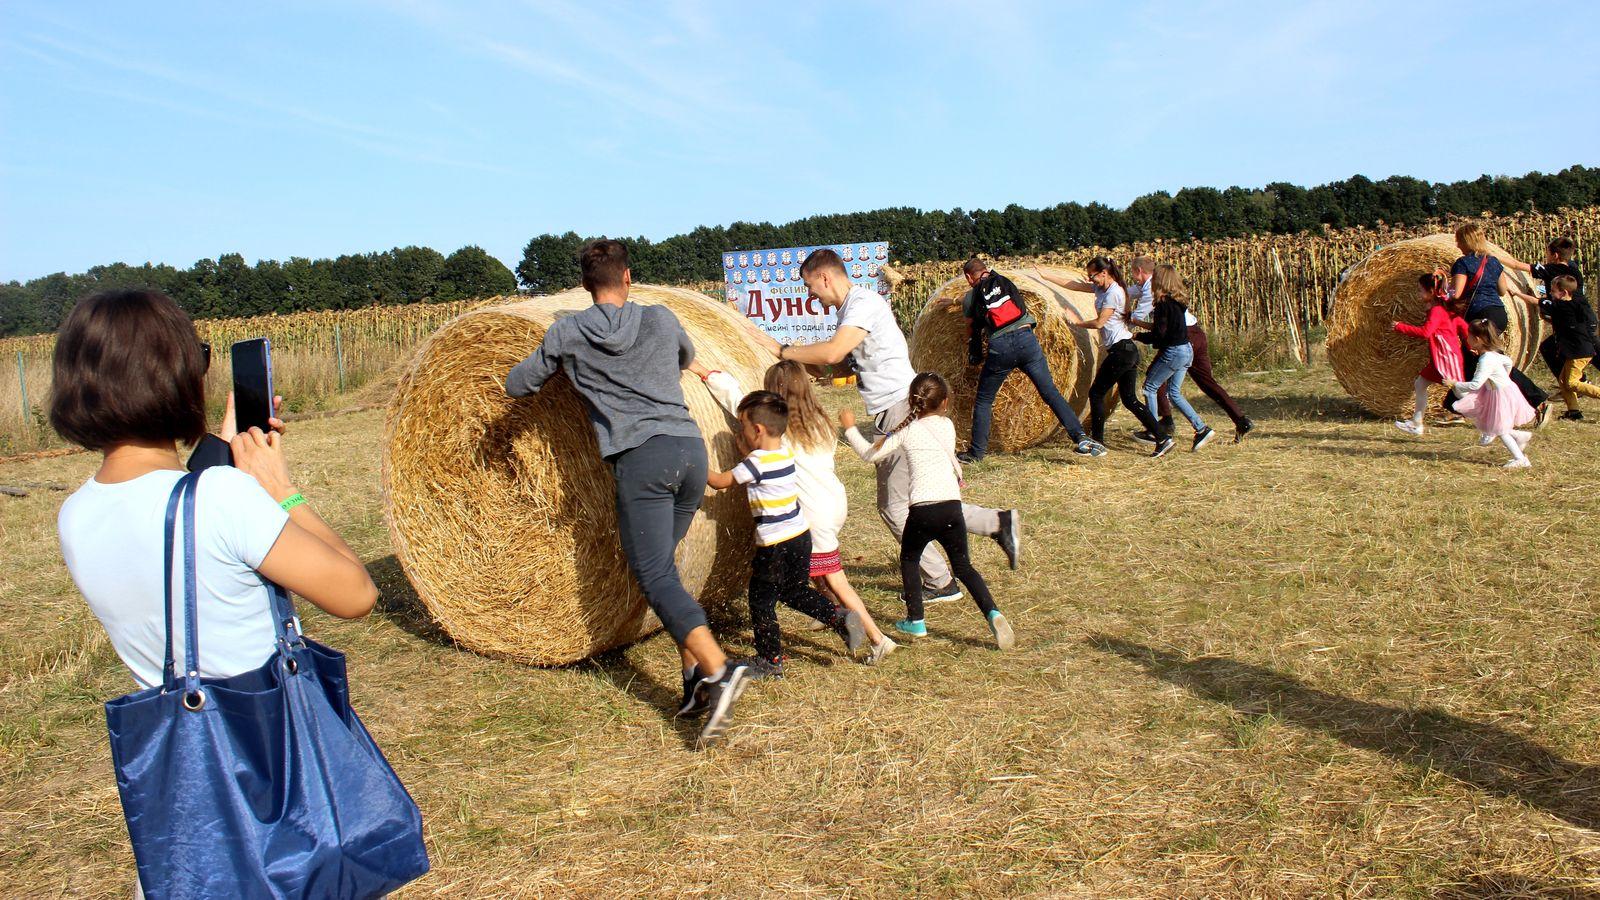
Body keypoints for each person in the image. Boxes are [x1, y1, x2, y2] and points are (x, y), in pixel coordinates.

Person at [49, 290, 379, 896]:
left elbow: (175, 527)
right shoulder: (226, 499)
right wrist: (278, 488)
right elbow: (355, 593)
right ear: (175, 377)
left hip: (190, 788)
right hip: (273, 775)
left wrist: (220, 451)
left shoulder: (75, 514)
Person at [505, 239, 747, 745]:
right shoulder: (659, 317)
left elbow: (519, 384)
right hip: (689, 451)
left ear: (584, 285)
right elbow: (685, 356)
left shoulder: (568, 332)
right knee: (665, 569)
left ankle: (719, 669)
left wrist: (557, 361)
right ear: (628, 277)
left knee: (653, 573)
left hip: (643, 462)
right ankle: (694, 681)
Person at [753, 248, 1022, 606]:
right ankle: (997, 523)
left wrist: (783, 349)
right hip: (898, 407)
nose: (809, 294)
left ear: (825, 277)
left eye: (808, 285)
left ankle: (941, 580)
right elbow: (839, 366)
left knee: (894, 508)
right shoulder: (850, 311)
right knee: (923, 500)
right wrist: (803, 365)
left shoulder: (862, 303)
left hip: (897, 409)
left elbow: (833, 353)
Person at [689, 358, 897, 664]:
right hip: (833, 501)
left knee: (832, 579)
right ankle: (833, 616)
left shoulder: (783, 437)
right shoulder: (819, 422)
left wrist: (706, 373)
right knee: (806, 577)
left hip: (810, 511)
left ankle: (876, 637)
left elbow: (736, 399)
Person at [840, 373, 1015, 650]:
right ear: (944, 402)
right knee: (964, 568)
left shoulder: (906, 431)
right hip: (952, 508)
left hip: (922, 511)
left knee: (910, 559)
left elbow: (869, 454)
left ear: (911, 403)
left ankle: (916, 620)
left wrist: (850, 428)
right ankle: (993, 612)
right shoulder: (947, 426)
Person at [704, 391, 869, 678]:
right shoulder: (784, 454)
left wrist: (693, 463)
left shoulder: (754, 463)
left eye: (742, 426)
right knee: (794, 591)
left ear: (757, 430)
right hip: (800, 536)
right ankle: (837, 616)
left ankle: (770, 660)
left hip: (775, 544)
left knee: (761, 600)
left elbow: (719, 482)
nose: (740, 432)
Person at [958, 257, 1106, 462]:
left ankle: (976, 453)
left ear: (968, 277)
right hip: (1027, 341)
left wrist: (970, 346)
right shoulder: (1004, 281)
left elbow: (970, 326)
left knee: (984, 400)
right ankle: (1080, 437)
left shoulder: (972, 296)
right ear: (985, 269)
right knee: (1050, 392)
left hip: (1000, 348)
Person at [1038, 257, 1170, 457]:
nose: (1090, 280)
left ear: (1104, 273)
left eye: (1092, 276)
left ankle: (1097, 442)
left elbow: (1100, 323)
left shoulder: (1114, 292)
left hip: (1122, 351)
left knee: (1096, 393)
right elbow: (1074, 285)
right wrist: (1044, 276)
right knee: (1129, 399)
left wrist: (1076, 322)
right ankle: (1162, 438)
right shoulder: (1101, 288)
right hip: (1126, 350)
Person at [1442, 223, 1551, 425]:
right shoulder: (1492, 261)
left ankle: (1538, 400)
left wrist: (1442, 288)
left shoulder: (1462, 263)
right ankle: (1455, 408)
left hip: (1480, 315)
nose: (1457, 244)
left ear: (1466, 241)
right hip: (1498, 313)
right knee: (1471, 358)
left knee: (1492, 361)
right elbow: (1502, 290)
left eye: (1459, 240)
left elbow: (1456, 294)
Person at [1134, 265, 1217, 451]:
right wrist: (1138, 323)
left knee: (1149, 388)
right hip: (1186, 350)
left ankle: (1155, 433)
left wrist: (1136, 336)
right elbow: (1163, 328)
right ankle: (1201, 429)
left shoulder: (1162, 304)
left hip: (1174, 352)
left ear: (1160, 280)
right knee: (1174, 393)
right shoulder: (1177, 302)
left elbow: (1159, 335)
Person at [1444, 319, 1537, 469]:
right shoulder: (1492, 354)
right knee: (1496, 423)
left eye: (1468, 336)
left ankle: (1520, 459)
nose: (1466, 339)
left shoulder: (1485, 360)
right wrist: (1503, 378)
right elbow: (1508, 362)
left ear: (1477, 340)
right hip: (1501, 391)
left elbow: (1475, 384)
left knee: (1500, 429)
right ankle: (1520, 436)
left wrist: (1455, 384)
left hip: (1500, 395)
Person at [1504, 236, 1596, 387]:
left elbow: (1515, 264)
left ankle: (1577, 383)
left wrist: (1489, 254)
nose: (1546, 256)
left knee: (1589, 350)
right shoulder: (1572, 269)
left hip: (1579, 321)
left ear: (1555, 255)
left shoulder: (1551, 269)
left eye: (1547, 253)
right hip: (1582, 317)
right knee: (1552, 348)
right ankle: (1572, 384)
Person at [1392, 271, 1469, 435]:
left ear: (1432, 292)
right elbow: (1462, 325)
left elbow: (1426, 332)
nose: (1418, 294)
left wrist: (1400, 326)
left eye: (1420, 290)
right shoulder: (1443, 308)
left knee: (1462, 394)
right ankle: (1416, 423)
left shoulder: (1437, 310)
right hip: (1439, 359)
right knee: (1420, 384)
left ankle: (1495, 422)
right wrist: (1469, 343)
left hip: (1447, 359)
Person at [1513, 275, 1599, 420]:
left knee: (1571, 382)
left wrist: (1516, 293)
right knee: (1563, 381)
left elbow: (1536, 301)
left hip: (1579, 352)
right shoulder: (1574, 304)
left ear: (1564, 292)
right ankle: (1574, 412)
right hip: (1577, 350)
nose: (1550, 293)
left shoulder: (1559, 306)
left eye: (1553, 291)